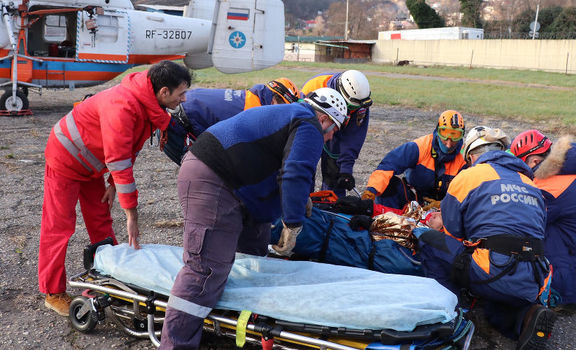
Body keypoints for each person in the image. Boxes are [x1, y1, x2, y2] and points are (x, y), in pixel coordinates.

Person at [159, 87, 348, 349]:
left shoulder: (292, 115)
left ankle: (232, 325)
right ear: (326, 119)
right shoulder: (309, 123)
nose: (331, 138)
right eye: (335, 130)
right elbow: (294, 172)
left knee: (254, 260)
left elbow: (288, 165)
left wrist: (300, 195)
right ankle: (175, 345)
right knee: (206, 270)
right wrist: (292, 225)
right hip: (216, 179)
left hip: (233, 185)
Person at [39, 61, 191, 316]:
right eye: (181, 93)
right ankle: (52, 292)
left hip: (91, 164)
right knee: (59, 226)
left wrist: (112, 185)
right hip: (65, 157)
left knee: (100, 219)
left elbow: (131, 148)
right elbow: (119, 160)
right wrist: (131, 215)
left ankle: (108, 278)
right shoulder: (122, 106)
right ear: (164, 92)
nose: (184, 99)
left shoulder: (151, 107)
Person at [417, 126, 556, 350]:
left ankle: (450, 313)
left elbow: (454, 233)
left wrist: (436, 224)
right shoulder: (531, 185)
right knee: (494, 304)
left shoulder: (469, 176)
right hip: (532, 279)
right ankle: (526, 318)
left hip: (493, 268)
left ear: (471, 155)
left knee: (430, 241)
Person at [511, 129, 576, 306]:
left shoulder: (549, 187)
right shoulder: (567, 169)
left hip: (575, 283)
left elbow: (519, 224)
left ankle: (549, 290)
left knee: (518, 241)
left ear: (534, 161)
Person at [162, 78, 300, 164]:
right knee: (204, 174)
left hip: (178, 112)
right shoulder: (253, 110)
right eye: (284, 106)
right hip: (176, 123)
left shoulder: (251, 98)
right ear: (274, 98)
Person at [361, 110, 467, 209]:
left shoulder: (465, 158)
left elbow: (471, 193)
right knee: (389, 185)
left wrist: (442, 205)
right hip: (412, 198)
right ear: (437, 131)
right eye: (444, 136)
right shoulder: (420, 147)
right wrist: (371, 191)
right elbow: (388, 166)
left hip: (445, 209)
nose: (449, 144)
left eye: (455, 137)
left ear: (461, 136)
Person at [301, 70, 373, 196]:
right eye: (350, 107)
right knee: (304, 169)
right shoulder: (313, 87)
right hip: (312, 129)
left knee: (334, 175)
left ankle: (329, 207)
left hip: (336, 132)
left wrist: (346, 169)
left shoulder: (360, 100)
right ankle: (302, 202)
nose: (352, 110)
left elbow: (353, 137)